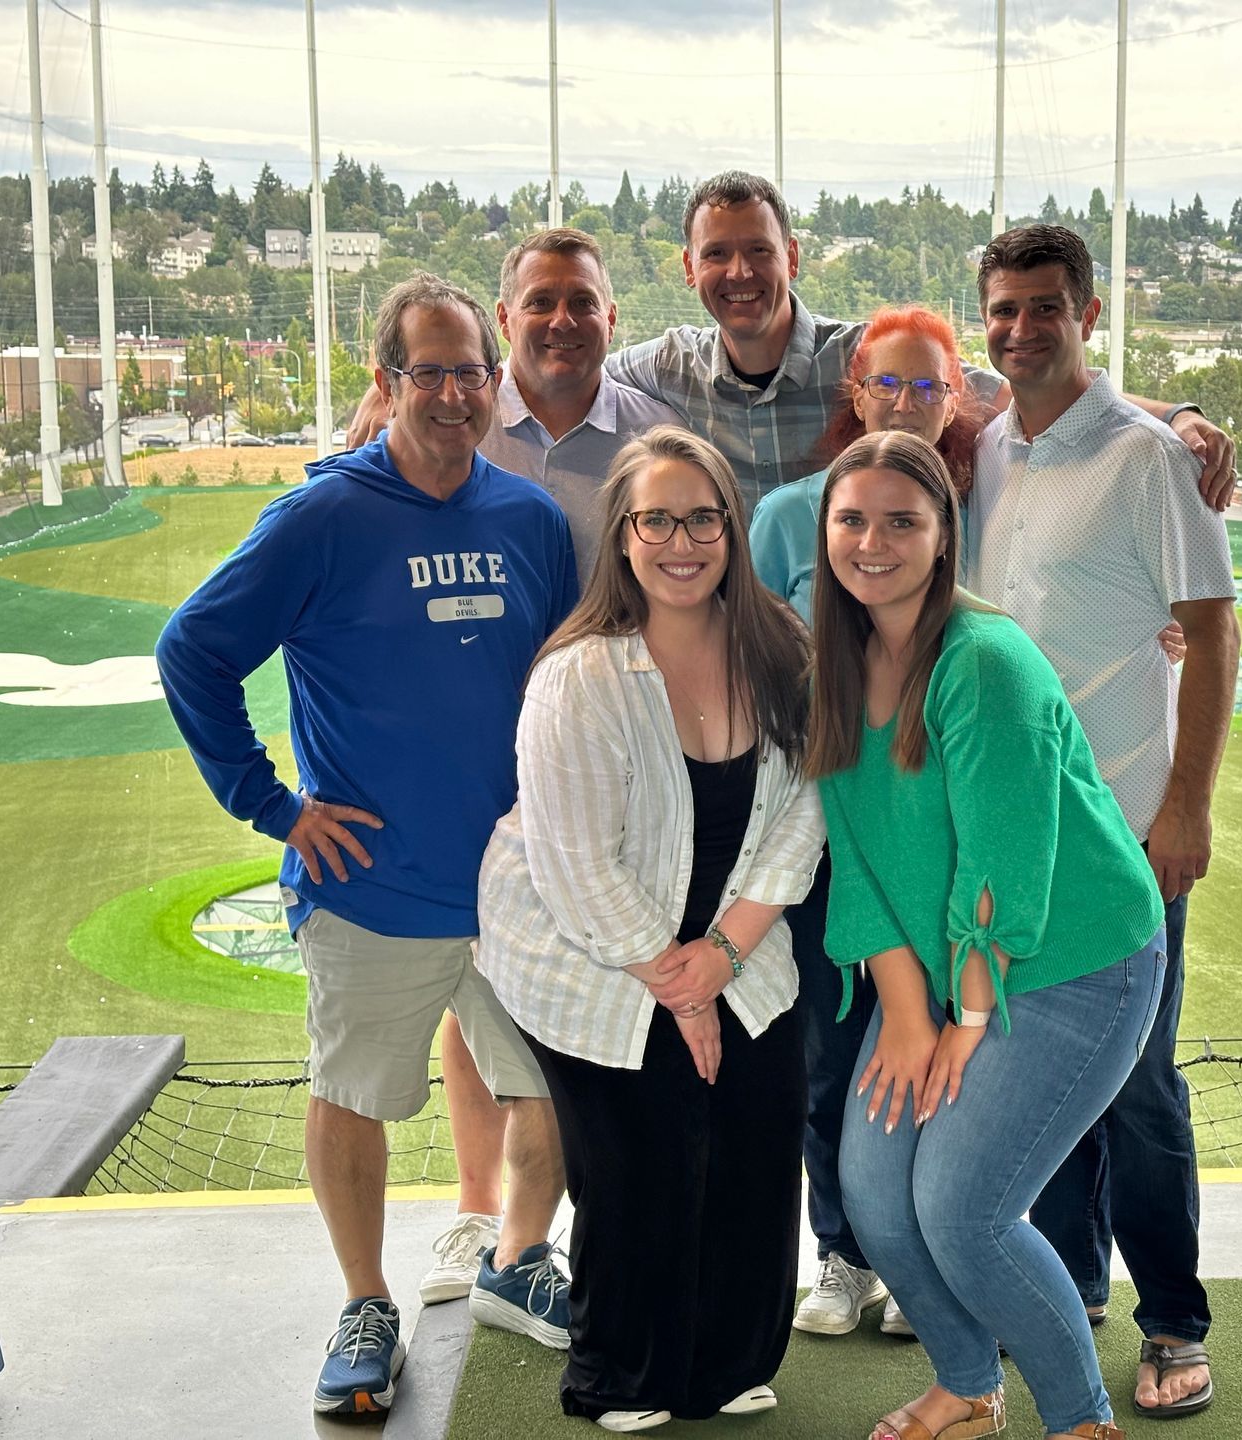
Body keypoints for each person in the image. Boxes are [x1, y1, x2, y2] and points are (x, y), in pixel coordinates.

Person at [155, 274, 577, 1420]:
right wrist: (274, 806)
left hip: (515, 890)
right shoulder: (323, 517)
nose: (452, 393)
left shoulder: (529, 520)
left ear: (497, 384)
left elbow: (571, 688)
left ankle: (519, 1260)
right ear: (385, 383)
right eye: (427, 370)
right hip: (367, 887)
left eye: (470, 371)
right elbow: (191, 650)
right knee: (351, 1097)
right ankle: (364, 1303)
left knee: (550, 1089)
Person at [810, 430, 1168, 1440]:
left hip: (1074, 965)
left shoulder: (986, 659)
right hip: (940, 975)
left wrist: (962, 1022)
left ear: (941, 534)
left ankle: (1080, 1420)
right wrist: (908, 1017)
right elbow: (862, 860)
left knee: (964, 1211)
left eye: (901, 522)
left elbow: (999, 875)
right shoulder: (832, 666)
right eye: (852, 519)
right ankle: (969, 1390)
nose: (872, 542)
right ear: (824, 528)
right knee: (877, 1198)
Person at [476, 426, 823, 1433]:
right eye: (655, 520)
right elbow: (576, 866)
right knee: (644, 1163)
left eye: (702, 517)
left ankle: (727, 1362)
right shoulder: (579, 676)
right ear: (622, 538)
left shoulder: (782, 649)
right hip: (593, 958)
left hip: (739, 945)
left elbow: (803, 812)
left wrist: (719, 961)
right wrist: (677, 991)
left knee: (759, 1142)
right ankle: (620, 1376)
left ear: (731, 527)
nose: (682, 540)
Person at [967, 226, 1240, 1419]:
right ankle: (1073, 1281)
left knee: (1136, 1083)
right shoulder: (984, 449)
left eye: (1044, 308)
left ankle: (1173, 1317)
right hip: (1023, 832)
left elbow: (1213, 630)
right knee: (1050, 1068)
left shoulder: (1146, 460)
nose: (1022, 329)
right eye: (1004, 309)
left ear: (1087, 312)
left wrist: (1187, 803)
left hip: (1132, 828)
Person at [419, 227, 679, 1312]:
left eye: (583, 303)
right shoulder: (459, 425)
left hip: (614, 753)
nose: (563, 321)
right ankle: (482, 1218)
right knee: (478, 989)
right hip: (482, 752)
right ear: (506, 315)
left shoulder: (654, 431)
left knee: (587, 981)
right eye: (541, 304)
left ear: (612, 318)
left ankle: (554, 1228)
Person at [750, 305, 987, 1339]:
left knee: (946, 1054)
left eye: (927, 386)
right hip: (826, 846)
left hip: (939, 848)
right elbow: (757, 669)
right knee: (830, 1060)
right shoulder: (795, 513)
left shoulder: (977, 504)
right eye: (886, 384)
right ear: (854, 389)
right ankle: (846, 1254)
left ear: (956, 399)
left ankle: (923, 1257)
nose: (904, 402)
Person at [602, 170, 1238, 508]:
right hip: (742, 656)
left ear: (791, 257)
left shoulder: (873, 359)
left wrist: (1174, 415)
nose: (739, 273)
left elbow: (1033, 384)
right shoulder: (669, 363)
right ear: (689, 267)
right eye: (717, 254)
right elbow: (572, 371)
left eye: (758, 251)